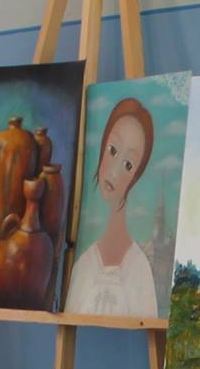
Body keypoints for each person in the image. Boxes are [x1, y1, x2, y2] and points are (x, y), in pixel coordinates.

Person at [66, 96, 158, 317]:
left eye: (128, 164)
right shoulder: (83, 265)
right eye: (113, 150)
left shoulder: (140, 270)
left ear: (136, 176)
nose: (114, 172)